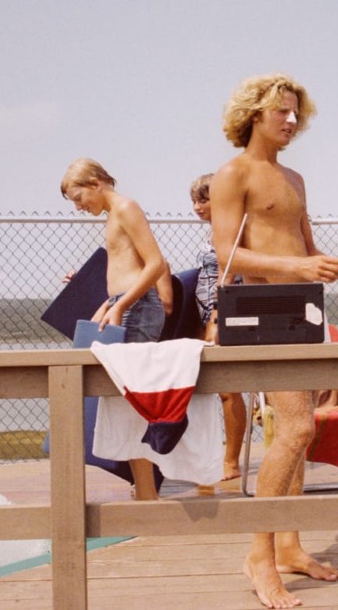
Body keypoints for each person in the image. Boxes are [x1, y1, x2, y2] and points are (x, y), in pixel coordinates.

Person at [209, 73, 338, 609]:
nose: (290, 121)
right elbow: (227, 256)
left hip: (304, 310)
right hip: (260, 314)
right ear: (253, 115)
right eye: (280, 112)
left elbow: (308, 247)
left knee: (298, 434)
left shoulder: (295, 179)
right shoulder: (231, 174)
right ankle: (259, 556)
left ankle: (287, 545)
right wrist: (298, 264)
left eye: (294, 113)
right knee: (295, 426)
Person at [61, 157, 168, 501]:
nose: (79, 208)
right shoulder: (112, 217)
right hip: (124, 305)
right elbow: (124, 267)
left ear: (96, 183)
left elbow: (156, 264)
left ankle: (148, 492)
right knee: (124, 404)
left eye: (79, 199)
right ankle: (145, 489)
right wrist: (108, 302)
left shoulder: (126, 208)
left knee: (130, 403)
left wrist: (121, 304)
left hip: (136, 309)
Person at [190, 172, 247, 481]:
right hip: (203, 314)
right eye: (194, 201)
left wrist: (216, 317)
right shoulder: (214, 230)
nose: (198, 207)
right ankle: (215, 455)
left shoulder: (232, 230)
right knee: (210, 391)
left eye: (204, 199)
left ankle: (232, 462)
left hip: (221, 314)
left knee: (228, 391)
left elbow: (231, 275)